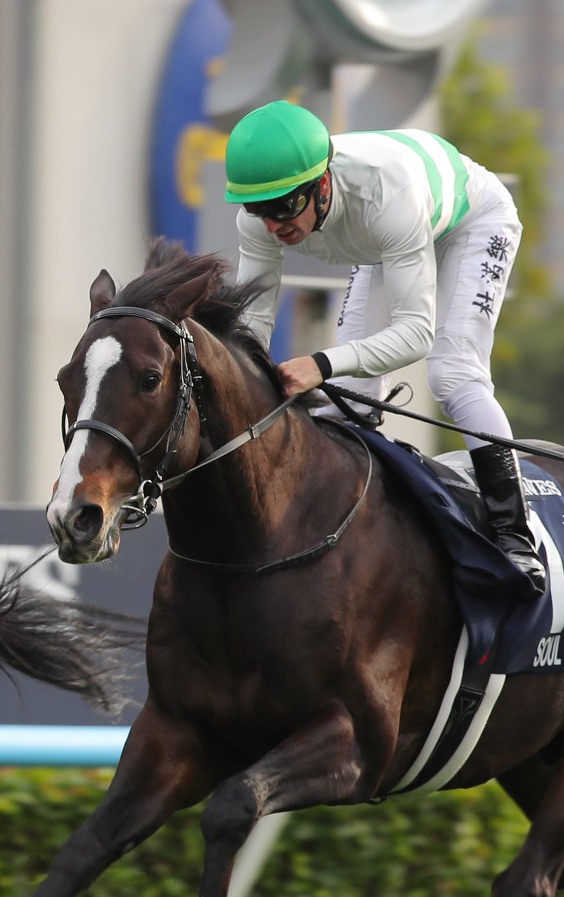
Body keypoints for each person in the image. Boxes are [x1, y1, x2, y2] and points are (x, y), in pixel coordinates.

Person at [225, 100, 545, 594]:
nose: (273, 226)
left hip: (470, 220)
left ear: (323, 185)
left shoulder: (385, 198)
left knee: (453, 372)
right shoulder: (261, 222)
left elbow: (415, 333)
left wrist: (320, 363)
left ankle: (515, 537)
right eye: (258, 209)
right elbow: (251, 327)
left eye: (285, 207)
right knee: (352, 397)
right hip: (386, 242)